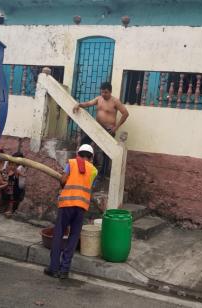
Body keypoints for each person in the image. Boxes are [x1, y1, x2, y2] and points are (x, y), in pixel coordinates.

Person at [44, 144, 98, 279]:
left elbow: (63, 179)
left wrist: (64, 182)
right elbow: (89, 185)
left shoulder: (72, 163)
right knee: (73, 237)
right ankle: (64, 270)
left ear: (78, 154)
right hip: (81, 207)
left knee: (59, 235)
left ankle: (53, 268)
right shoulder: (94, 171)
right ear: (91, 158)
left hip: (67, 203)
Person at [72, 82, 129, 177]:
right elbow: (88, 103)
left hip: (109, 130)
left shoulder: (115, 101)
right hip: (97, 128)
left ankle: (103, 174)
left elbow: (125, 114)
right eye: (102, 92)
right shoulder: (99, 99)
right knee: (84, 142)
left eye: (106, 92)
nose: (103, 94)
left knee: (106, 152)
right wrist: (79, 104)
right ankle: (89, 165)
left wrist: (116, 127)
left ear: (110, 92)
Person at [3, 152, 26, 218]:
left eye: (13, 164)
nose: (12, 166)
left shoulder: (19, 168)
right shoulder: (12, 168)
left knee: (13, 199)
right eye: (11, 164)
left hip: (15, 186)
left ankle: (10, 211)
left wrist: (20, 174)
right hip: (10, 186)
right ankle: (9, 210)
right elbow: (6, 174)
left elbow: (21, 175)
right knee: (10, 198)